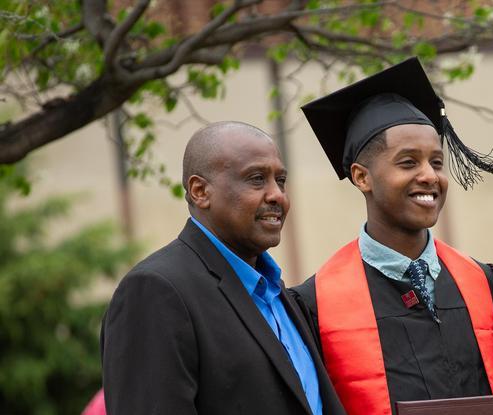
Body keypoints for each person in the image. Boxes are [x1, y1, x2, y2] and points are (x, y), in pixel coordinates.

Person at [289, 57, 493, 415]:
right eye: (408, 162)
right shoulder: (314, 304)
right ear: (362, 177)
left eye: (436, 162)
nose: (429, 176)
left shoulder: (483, 283)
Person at [101, 122, 344, 414]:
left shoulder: (280, 295)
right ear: (200, 191)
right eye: (256, 179)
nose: (277, 195)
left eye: (280, 180)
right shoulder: (155, 291)